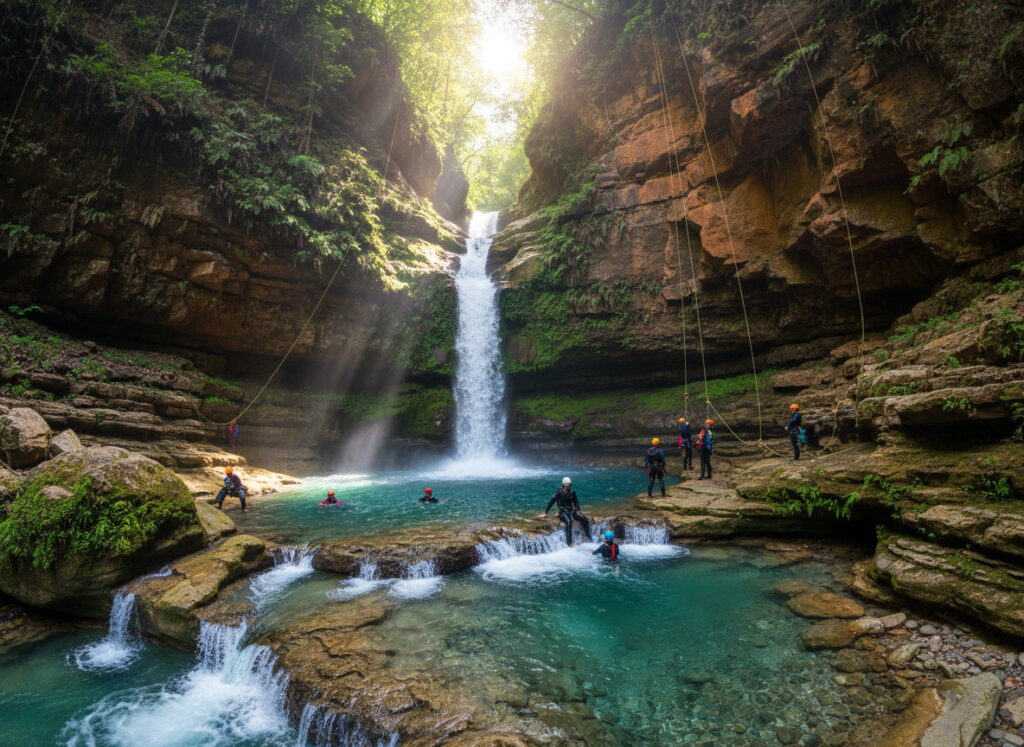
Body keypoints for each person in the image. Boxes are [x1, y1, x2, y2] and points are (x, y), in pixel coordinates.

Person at [537, 476, 591, 547]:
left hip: (571, 511)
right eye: (567, 486)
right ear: (563, 485)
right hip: (563, 512)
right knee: (569, 522)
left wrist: (577, 510)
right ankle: (569, 543)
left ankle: (588, 538)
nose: (568, 487)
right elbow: (551, 502)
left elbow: (576, 503)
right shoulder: (559, 492)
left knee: (584, 519)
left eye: (569, 485)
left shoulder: (572, 492)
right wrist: (545, 513)